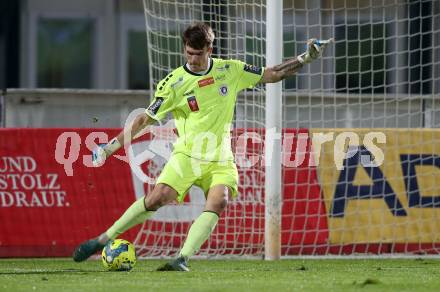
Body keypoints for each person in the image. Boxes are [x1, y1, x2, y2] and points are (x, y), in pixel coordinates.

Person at [73, 22, 331, 271]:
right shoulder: (173, 83)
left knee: (220, 201)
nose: (192, 59)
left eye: (198, 54)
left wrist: (304, 59)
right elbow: (143, 119)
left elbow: (271, 73)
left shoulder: (229, 70)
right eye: (188, 53)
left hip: (220, 157)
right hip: (186, 155)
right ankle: (103, 239)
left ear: (210, 50)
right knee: (156, 198)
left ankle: (182, 258)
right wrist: (109, 148)